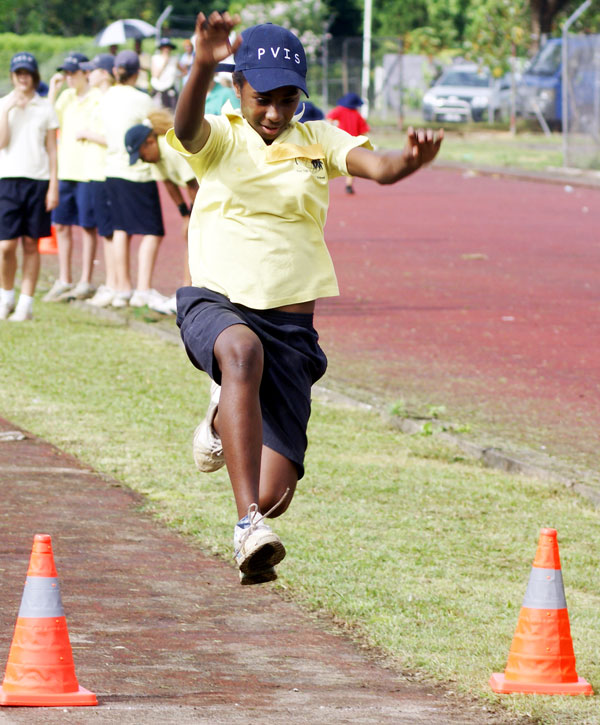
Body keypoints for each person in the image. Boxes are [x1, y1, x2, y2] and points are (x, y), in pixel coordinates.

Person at [171, 15, 443, 585]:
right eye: (262, 98)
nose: (274, 112)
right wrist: (201, 63)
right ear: (238, 86)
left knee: (274, 493)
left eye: (288, 99)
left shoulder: (318, 139)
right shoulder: (220, 136)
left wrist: (408, 162)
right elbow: (187, 123)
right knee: (240, 353)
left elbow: (379, 167)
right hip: (218, 305)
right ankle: (246, 526)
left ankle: (224, 422)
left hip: (291, 329)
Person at [101, 49, 167, 310]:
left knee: (120, 229)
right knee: (153, 231)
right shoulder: (141, 99)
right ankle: (142, 288)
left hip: (112, 168)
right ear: (137, 72)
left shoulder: (106, 97)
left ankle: (122, 288)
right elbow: (156, 126)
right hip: (138, 171)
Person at [0, 52, 58, 321]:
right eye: (18, 73)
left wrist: (53, 186)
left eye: (27, 73)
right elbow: (2, 143)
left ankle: (26, 303)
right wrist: (7, 109)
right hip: (8, 179)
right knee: (6, 246)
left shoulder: (45, 108)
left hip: (39, 180)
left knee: (32, 243)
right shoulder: (3, 104)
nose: (23, 78)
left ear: (34, 77)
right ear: (12, 76)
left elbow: (52, 150)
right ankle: (6, 296)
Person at [124, 110, 198, 313]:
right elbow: (169, 184)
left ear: (150, 141)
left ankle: (188, 293)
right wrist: (184, 215)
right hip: (199, 194)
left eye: (141, 154)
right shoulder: (156, 158)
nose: (142, 160)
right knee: (191, 238)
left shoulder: (171, 148)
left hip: (209, 191)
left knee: (194, 238)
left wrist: (193, 218)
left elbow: (194, 186)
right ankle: (187, 292)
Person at [45, 53, 98, 301]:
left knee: (88, 227)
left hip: (87, 171)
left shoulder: (97, 97)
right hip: (65, 170)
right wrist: (53, 90)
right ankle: (64, 278)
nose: (68, 78)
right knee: (62, 225)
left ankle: (86, 280)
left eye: (72, 73)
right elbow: (47, 119)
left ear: (84, 73)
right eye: (65, 73)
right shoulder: (65, 97)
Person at [76, 54, 117, 308]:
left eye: (92, 70)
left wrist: (88, 135)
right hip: (93, 172)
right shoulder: (98, 99)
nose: (88, 75)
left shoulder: (111, 99)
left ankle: (113, 284)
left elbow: (113, 137)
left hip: (106, 172)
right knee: (104, 231)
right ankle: (110, 283)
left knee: (109, 232)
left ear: (104, 73)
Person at [326, 92, 370, 194]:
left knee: (330, 161)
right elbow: (364, 131)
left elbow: (329, 118)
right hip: (352, 143)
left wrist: (333, 128)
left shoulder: (340, 110)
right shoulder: (357, 115)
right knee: (351, 164)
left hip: (339, 140)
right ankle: (349, 184)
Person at [150, 38, 179, 110]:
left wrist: (176, 76)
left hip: (170, 88)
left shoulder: (174, 59)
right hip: (158, 89)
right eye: (164, 47)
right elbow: (155, 75)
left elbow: (184, 71)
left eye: (168, 47)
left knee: (172, 110)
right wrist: (165, 62)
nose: (166, 49)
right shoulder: (155, 58)